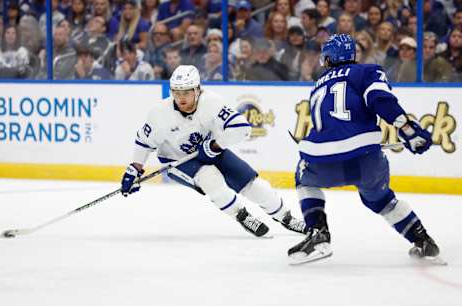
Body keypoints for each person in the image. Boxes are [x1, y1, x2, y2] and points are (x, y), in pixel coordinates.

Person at [287, 34, 441, 264]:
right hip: (366, 160)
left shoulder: (318, 84)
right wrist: (406, 129)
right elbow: (380, 99)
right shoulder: (367, 71)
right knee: (381, 201)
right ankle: (422, 240)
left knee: (303, 178)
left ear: (329, 58)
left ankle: (318, 233)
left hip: (322, 162)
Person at [120, 65, 306, 238]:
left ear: (197, 90)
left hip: (211, 150)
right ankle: (240, 215)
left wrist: (214, 146)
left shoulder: (212, 103)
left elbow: (242, 128)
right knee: (210, 177)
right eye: (176, 92)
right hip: (177, 160)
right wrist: (134, 170)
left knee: (253, 184)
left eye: (186, 92)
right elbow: (144, 142)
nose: (181, 98)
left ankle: (285, 217)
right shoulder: (160, 114)